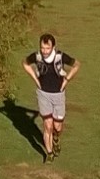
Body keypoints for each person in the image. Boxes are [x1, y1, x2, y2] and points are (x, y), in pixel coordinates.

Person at [23, 32, 79, 163]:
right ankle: (49, 153)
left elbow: (77, 65)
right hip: (43, 95)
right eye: (42, 48)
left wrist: (66, 80)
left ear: (53, 47)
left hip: (58, 95)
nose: (44, 51)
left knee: (57, 127)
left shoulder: (60, 57)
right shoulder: (37, 57)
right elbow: (25, 63)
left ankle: (56, 138)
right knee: (48, 126)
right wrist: (35, 79)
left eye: (47, 48)